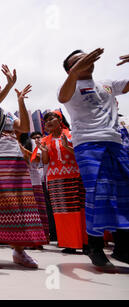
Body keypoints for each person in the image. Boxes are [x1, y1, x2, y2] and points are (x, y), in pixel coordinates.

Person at [58, 49, 129, 267]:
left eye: (86, 56)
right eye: (78, 60)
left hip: (116, 143)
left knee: (123, 192)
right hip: (88, 144)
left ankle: (123, 248)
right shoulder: (70, 87)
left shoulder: (107, 83)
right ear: (71, 69)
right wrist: (78, 68)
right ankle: (94, 246)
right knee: (99, 191)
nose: (86, 60)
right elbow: (62, 97)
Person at [0, 67, 47, 270]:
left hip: (15, 159)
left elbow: (23, 127)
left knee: (20, 204)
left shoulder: (5, 113)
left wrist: (20, 101)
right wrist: (8, 85)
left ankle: (19, 250)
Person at [32, 111, 88, 254]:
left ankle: (86, 242)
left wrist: (68, 146)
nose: (48, 122)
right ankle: (69, 243)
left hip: (75, 177)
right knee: (61, 212)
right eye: (46, 121)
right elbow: (44, 162)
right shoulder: (44, 140)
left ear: (60, 119)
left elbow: (82, 155)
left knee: (81, 210)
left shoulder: (72, 135)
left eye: (51, 119)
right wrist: (44, 151)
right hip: (55, 180)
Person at [30, 130, 57, 242]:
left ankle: (53, 233)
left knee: (50, 209)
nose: (37, 139)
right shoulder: (32, 148)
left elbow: (44, 161)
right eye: (34, 138)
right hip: (37, 181)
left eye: (38, 137)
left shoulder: (45, 148)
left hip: (46, 180)